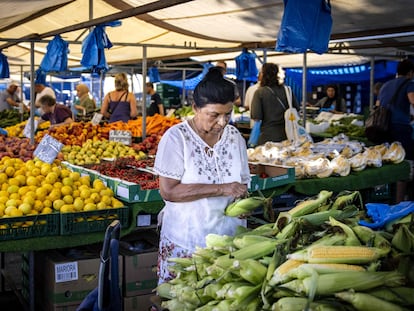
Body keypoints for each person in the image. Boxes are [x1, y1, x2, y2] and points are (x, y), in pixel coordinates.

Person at [153, 67, 250, 285]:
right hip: (187, 240)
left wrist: (245, 199)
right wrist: (222, 188)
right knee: (181, 300)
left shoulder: (235, 138)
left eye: (228, 114)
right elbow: (168, 191)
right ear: (195, 108)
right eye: (214, 115)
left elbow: (243, 182)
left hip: (228, 242)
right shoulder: (176, 138)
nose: (222, 122)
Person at [378, 59, 414, 202]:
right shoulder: (409, 84)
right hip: (401, 128)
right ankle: (400, 201)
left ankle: (387, 197)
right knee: (404, 164)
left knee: (389, 162)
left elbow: (378, 105)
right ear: (410, 73)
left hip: (384, 128)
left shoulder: (386, 85)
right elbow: (413, 100)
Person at [250, 62, 300, 145]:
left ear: (263, 74)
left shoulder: (259, 92)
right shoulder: (287, 90)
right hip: (287, 135)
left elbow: (256, 116)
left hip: (268, 137)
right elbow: (296, 109)